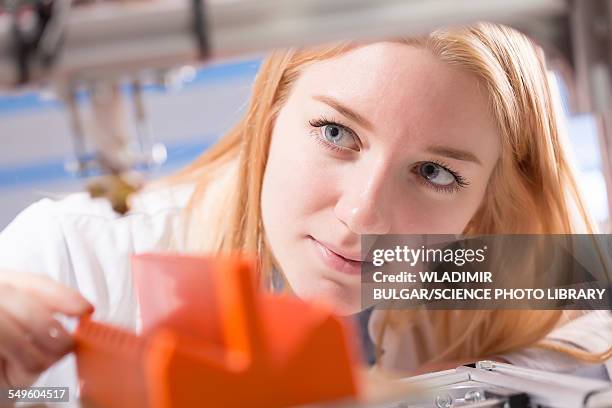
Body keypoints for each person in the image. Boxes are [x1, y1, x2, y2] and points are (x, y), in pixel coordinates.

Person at [0, 22, 610, 397]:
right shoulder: (71, 259)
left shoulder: (485, 264)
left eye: (434, 172)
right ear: (272, 114)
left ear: (485, 202)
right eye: (337, 134)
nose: (361, 215)